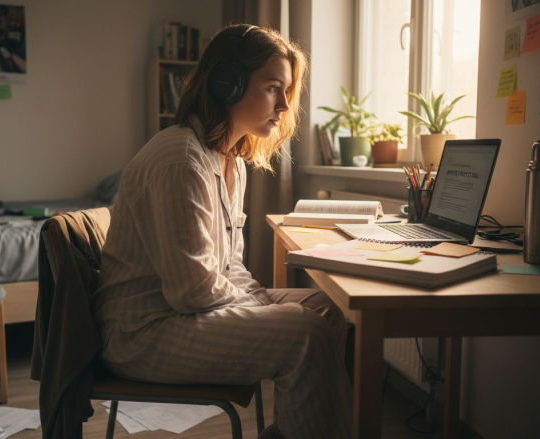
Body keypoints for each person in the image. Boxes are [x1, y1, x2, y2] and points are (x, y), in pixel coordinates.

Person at [93, 24, 352, 439]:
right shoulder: (181, 159)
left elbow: (229, 265)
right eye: (272, 88)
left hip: (183, 313)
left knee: (326, 309)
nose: (284, 105)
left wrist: (258, 301)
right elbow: (192, 291)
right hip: (145, 332)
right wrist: (265, 309)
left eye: (286, 91)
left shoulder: (229, 159)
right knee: (304, 333)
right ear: (226, 84)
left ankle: (293, 431)